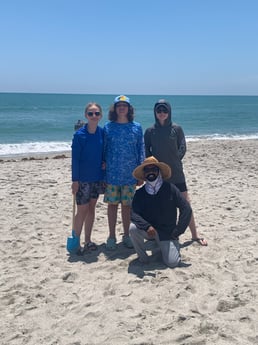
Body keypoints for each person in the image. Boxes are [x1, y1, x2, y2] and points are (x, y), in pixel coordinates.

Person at [144, 99, 207, 246]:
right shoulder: (150, 131)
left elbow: (183, 147)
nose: (161, 113)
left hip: (177, 173)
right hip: (158, 175)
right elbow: (146, 150)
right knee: (160, 206)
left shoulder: (176, 129)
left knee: (185, 204)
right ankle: (159, 234)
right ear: (155, 112)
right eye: (159, 110)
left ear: (169, 112)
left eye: (164, 110)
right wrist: (154, 166)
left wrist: (175, 160)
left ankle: (194, 235)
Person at [129, 156, 192, 267]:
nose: (150, 172)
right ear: (144, 174)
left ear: (159, 171)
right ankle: (143, 258)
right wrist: (147, 226)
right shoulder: (139, 193)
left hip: (167, 233)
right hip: (149, 231)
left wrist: (178, 231)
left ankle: (167, 245)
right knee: (133, 228)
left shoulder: (170, 188)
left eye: (154, 169)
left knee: (172, 263)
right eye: (147, 170)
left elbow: (186, 209)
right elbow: (134, 213)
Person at [103, 95, 145, 250]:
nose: (122, 108)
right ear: (115, 109)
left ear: (129, 109)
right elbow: (103, 150)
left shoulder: (137, 127)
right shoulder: (108, 127)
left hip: (131, 174)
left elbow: (141, 149)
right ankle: (112, 236)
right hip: (112, 174)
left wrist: (142, 173)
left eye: (124, 105)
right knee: (112, 206)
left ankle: (126, 235)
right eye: (119, 105)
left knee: (127, 207)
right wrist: (103, 172)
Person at [67, 102, 105, 254]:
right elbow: (75, 159)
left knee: (91, 208)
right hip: (82, 179)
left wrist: (104, 164)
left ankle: (88, 240)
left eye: (96, 113)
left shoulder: (102, 133)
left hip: (97, 178)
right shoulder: (79, 135)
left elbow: (103, 153)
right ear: (86, 116)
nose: (94, 116)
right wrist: (74, 180)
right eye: (91, 113)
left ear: (100, 116)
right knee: (82, 210)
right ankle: (75, 240)